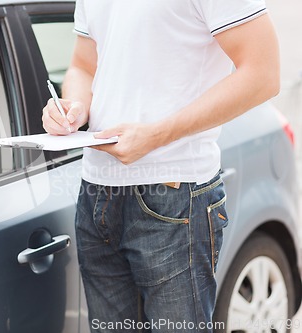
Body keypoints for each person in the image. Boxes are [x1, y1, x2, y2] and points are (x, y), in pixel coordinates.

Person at [42, 0, 280, 332]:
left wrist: (156, 135)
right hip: (96, 193)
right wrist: (74, 107)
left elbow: (263, 73)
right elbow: (83, 66)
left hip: (175, 195)